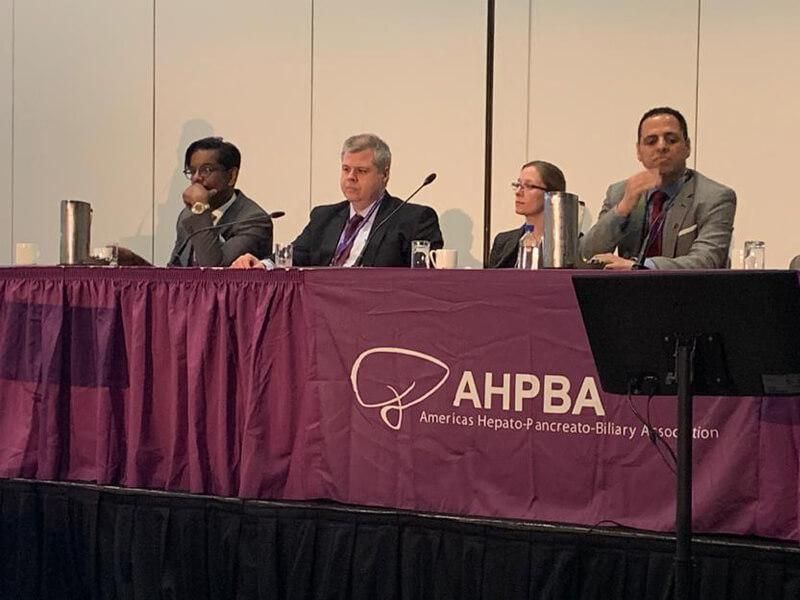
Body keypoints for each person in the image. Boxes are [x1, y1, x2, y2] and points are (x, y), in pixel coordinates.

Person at [232, 133, 443, 268]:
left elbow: (425, 282)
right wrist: (263, 264)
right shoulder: (324, 216)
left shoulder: (414, 219)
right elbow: (298, 253)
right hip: (323, 309)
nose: (351, 177)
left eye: (361, 171)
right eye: (346, 169)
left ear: (385, 174)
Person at [580, 107, 736, 270]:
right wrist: (621, 210)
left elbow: (707, 261)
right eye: (651, 141)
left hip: (688, 286)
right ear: (639, 152)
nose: (661, 147)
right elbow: (585, 257)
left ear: (688, 147)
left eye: (671, 140)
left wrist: (640, 266)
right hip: (629, 286)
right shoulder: (619, 193)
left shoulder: (715, 197)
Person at [167, 137, 272, 267]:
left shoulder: (254, 220)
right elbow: (174, 268)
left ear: (231, 176)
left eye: (206, 170)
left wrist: (201, 209)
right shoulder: (188, 214)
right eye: (192, 171)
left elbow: (215, 270)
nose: (196, 178)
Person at [488, 160, 566, 268]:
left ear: (551, 194)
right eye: (518, 185)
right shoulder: (503, 242)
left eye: (529, 186)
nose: (518, 192)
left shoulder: (573, 244)